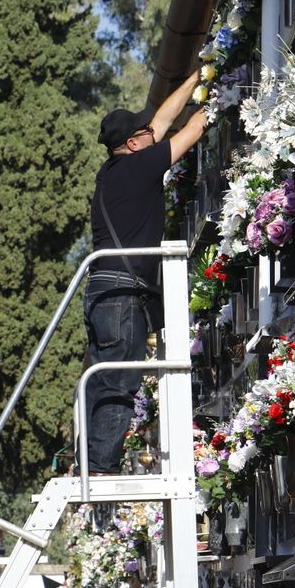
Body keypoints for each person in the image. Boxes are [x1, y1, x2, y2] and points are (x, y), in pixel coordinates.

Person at [85, 72, 208, 474]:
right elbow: (189, 131)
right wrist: (221, 92)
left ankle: (91, 460)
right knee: (120, 383)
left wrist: (196, 75)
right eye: (146, 133)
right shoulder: (140, 168)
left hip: (102, 291)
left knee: (104, 379)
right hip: (123, 294)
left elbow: (161, 120)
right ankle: (100, 470)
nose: (155, 134)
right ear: (134, 144)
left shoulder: (113, 171)